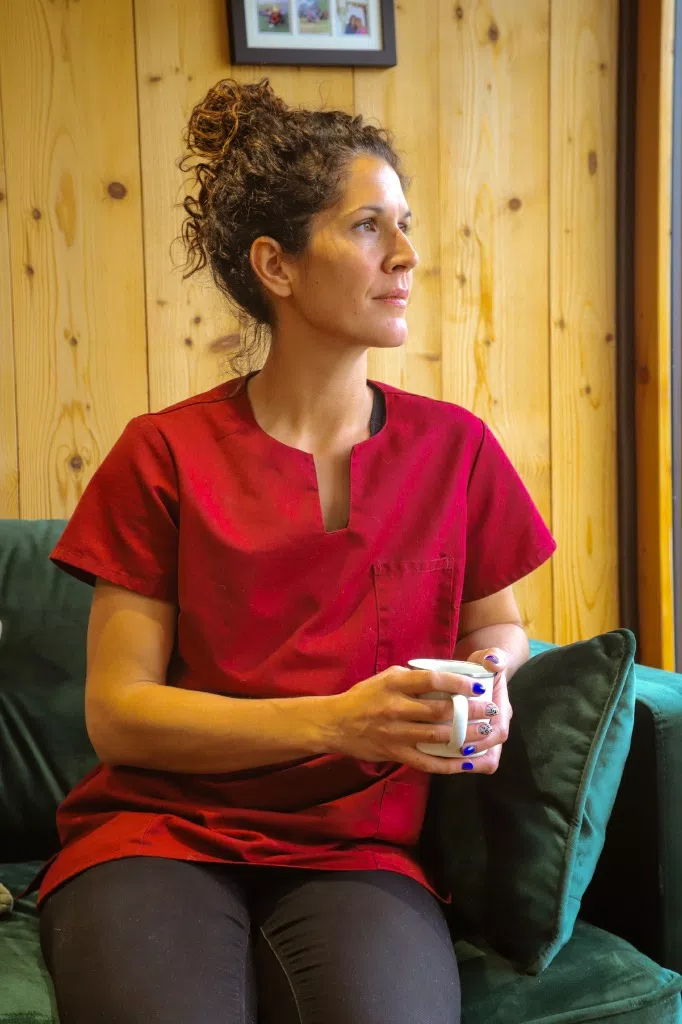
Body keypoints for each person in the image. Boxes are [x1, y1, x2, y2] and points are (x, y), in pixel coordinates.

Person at [33, 78, 556, 1023]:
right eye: (368, 227)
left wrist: (490, 680)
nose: (407, 255)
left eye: (405, 225)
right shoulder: (162, 454)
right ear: (275, 265)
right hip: (159, 833)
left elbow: (498, 626)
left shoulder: (457, 450)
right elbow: (120, 715)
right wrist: (337, 723)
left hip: (360, 848)